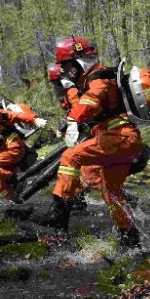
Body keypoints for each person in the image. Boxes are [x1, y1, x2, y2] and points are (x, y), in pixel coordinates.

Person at [33, 36, 150, 245]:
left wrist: (74, 120)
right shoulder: (92, 78)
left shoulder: (98, 78)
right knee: (110, 191)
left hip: (116, 137)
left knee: (70, 157)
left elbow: (92, 100)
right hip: (122, 139)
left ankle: (59, 214)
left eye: (67, 66)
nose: (66, 71)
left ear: (79, 61)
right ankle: (129, 237)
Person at [47, 63, 102, 208]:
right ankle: (78, 199)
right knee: (76, 169)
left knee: (88, 174)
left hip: (89, 134)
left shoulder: (71, 92)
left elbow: (81, 111)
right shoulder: (66, 95)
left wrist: (69, 123)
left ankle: (125, 199)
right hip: (83, 134)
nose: (54, 88)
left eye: (56, 84)